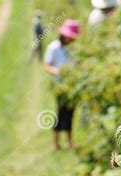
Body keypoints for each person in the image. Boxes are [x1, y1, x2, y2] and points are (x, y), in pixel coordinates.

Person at [44, 19, 80, 150]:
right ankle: (55, 143)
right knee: (60, 113)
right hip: (59, 86)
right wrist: (58, 72)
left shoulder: (75, 49)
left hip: (72, 86)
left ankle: (70, 142)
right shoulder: (53, 47)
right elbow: (47, 66)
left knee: (70, 113)